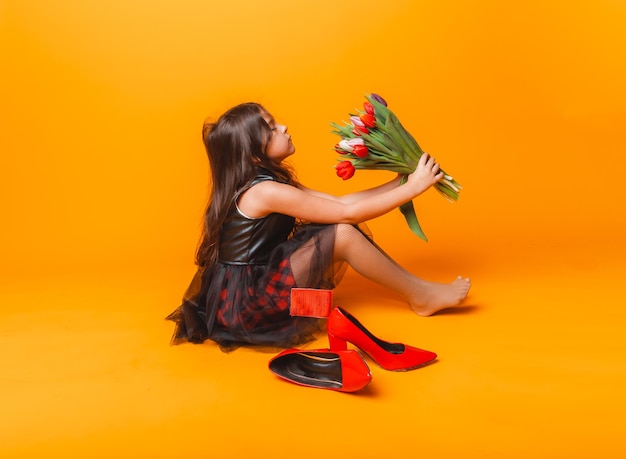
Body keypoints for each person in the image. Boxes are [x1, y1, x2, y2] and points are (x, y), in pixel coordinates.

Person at [167, 102, 471, 351]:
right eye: (271, 128)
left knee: (340, 225)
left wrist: (399, 181)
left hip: (253, 281)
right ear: (253, 153)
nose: (283, 127)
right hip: (249, 300)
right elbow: (346, 213)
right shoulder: (264, 192)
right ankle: (421, 295)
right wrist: (413, 189)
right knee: (342, 232)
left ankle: (420, 293)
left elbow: (340, 202)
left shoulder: (268, 182)